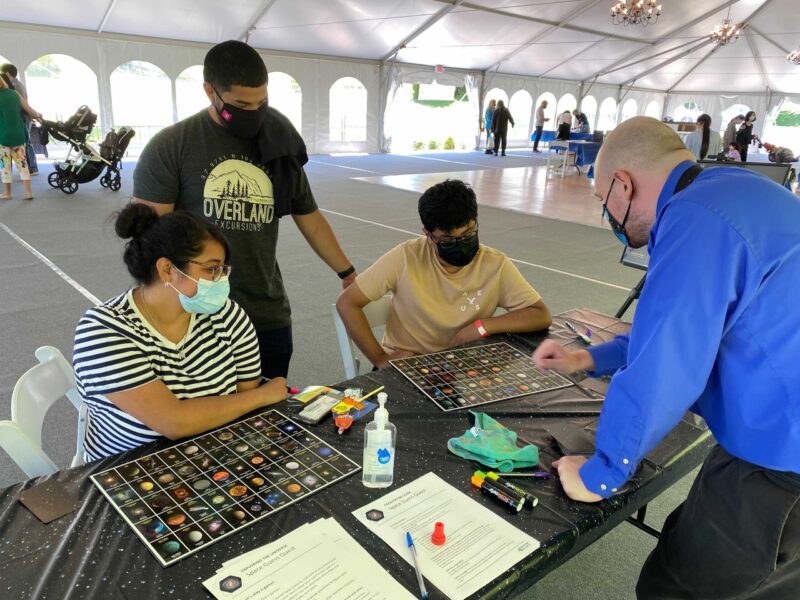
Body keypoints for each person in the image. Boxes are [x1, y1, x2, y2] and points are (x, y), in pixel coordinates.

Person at [533, 116, 800, 599]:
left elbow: (666, 368)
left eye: (602, 201)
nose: (607, 215)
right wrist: (588, 360)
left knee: (674, 589)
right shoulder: (732, 192)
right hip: (772, 441)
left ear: (622, 183)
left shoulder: (694, 218)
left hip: (782, 465)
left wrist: (599, 474)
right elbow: (685, 329)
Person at [133, 40, 356, 380]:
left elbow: (308, 216)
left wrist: (347, 272)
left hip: (265, 313)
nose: (252, 113)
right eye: (240, 104)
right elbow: (150, 240)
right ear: (210, 91)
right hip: (195, 315)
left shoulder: (279, 140)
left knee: (267, 418)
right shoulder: (172, 146)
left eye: (261, 103)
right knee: (206, 423)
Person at [73, 204, 288, 461]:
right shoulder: (104, 331)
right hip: (126, 471)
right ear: (167, 269)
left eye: (223, 270)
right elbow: (173, 422)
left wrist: (254, 398)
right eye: (211, 269)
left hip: (212, 457)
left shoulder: (227, 315)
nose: (222, 280)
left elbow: (245, 399)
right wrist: (265, 394)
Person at [336, 179, 552, 368]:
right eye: (448, 239)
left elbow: (540, 314)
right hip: (408, 362)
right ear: (428, 234)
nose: (461, 243)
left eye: (468, 233)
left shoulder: (494, 264)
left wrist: (482, 326)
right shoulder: (405, 257)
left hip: (461, 365)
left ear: (476, 220)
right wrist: (379, 357)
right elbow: (347, 303)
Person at [0, 73, 41, 200]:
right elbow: (29, 110)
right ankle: (29, 192)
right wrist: (37, 114)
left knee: (5, 166)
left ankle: (7, 193)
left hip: (2, 136)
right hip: (18, 135)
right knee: (23, 164)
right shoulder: (14, 94)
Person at [0, 64, 38, 176]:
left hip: (21, 119)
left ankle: (32, 167)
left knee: (25, 143)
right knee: (23, 146)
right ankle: (28, 172)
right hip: (20, 121)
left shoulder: (14, 88)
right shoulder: (16, 87)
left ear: (6, 74)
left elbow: (23, 105)